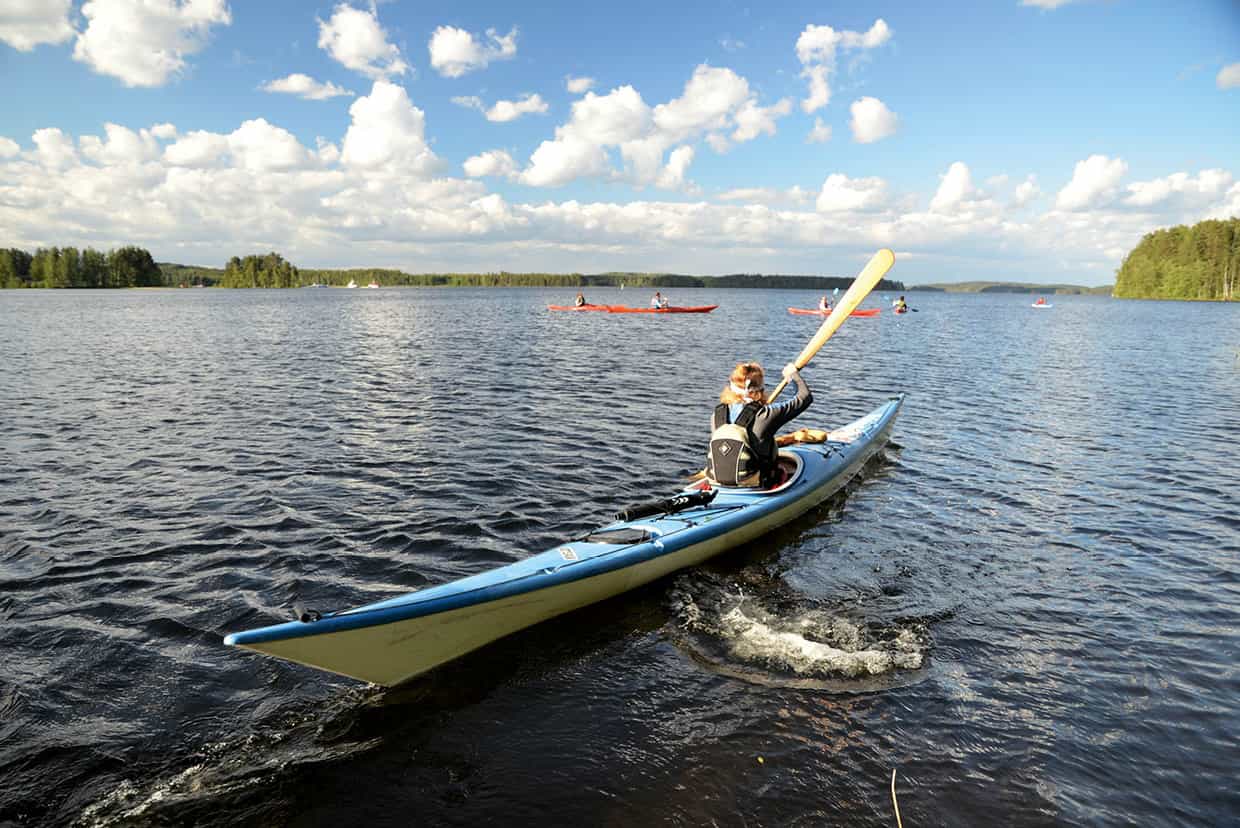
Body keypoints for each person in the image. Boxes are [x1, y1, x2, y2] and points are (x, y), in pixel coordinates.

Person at [707, 361, 813, 488]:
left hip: (718, 482)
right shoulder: (766, 414)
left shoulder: (717, 415)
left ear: (730, 388)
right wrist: (793, 375)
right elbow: (805, 397)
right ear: (760, 389)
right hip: (758, 483)